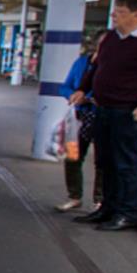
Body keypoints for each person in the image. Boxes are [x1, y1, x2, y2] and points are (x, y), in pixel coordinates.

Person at [71, 0, 137, 231]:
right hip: (102, 108)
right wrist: (83, 89)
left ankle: (127, 213)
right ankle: (107, 207)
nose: (114, 15)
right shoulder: (110, 40)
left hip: (129, 111)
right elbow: (97, 67)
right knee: (104, 161)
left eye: (120, 11)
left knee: (125, 162)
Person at [51, 35, 100, 212]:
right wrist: (73, 95)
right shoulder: (81, 63)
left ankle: (99, 201)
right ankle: (74, 196)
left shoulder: (114, 67)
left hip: (103, 117)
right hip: (79, 118)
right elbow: (65, 86)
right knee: (72, 156)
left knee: (102, 161)